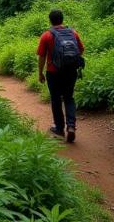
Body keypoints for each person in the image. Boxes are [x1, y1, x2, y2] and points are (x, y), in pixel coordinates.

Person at [37, 8, 85, 143]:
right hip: (71, 71)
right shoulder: (73, 33)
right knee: (69, 98)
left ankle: (59, 128)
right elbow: (81, 50)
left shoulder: (46, 35)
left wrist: (40, 73)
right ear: (62, 19)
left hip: (53, 72)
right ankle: (71, 126)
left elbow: (41, 56)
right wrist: (70, 61)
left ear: (50, 20)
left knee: (56, 99)